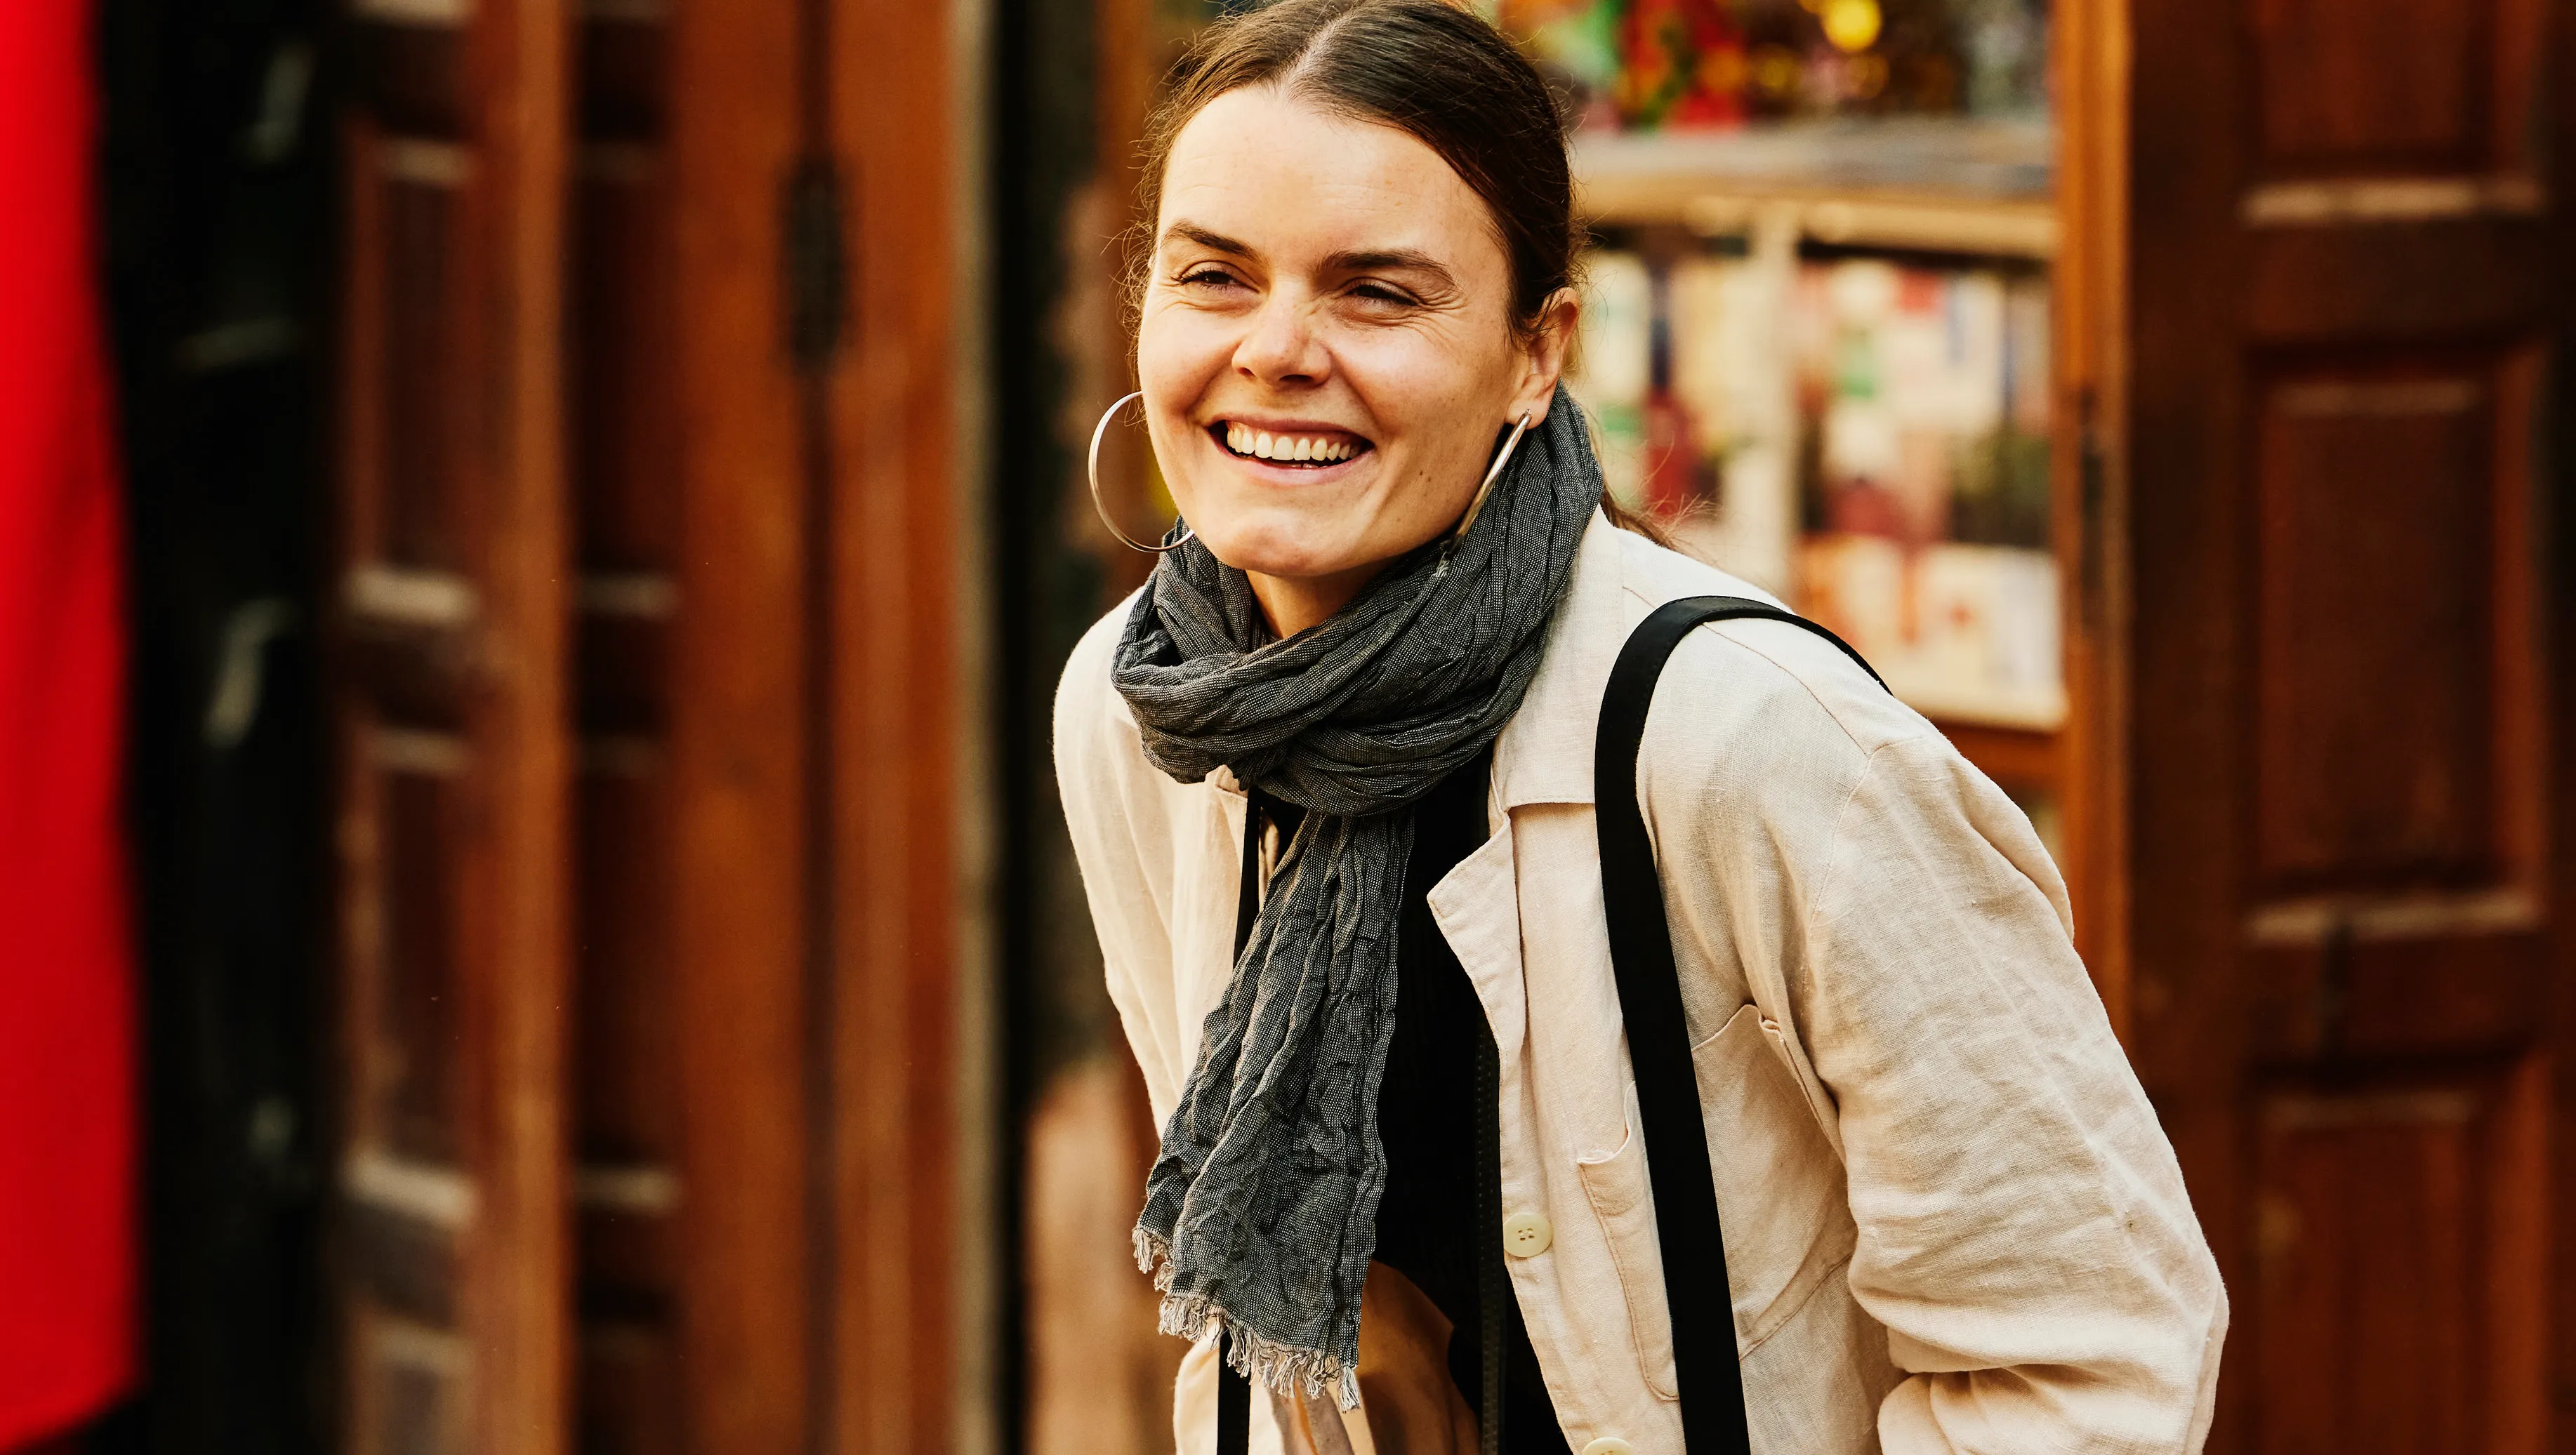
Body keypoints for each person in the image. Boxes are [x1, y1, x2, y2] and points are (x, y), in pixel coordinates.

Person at [1054, 3, 2226, 1451]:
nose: (1276, 350)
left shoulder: (1750, 747)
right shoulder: (1138, 715)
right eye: (1214, 276)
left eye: (1376, 293)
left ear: (1534, 353)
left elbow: (2096, 1353)